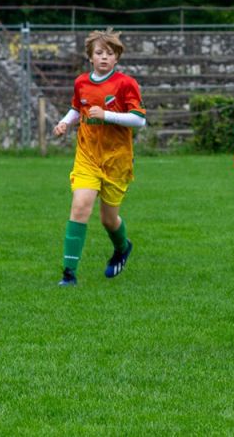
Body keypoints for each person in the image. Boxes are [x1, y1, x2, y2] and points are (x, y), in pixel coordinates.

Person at [53, 28, 146, 286]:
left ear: (117, 58)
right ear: (90, 57)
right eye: (99, 53)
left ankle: (122, 248)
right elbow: (76, 109)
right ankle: (69, 274)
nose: (104, 57)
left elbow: (139, 120)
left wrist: (107, 115)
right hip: (87, 156)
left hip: (117, 160)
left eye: (109, 53)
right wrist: (64, 123)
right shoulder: (81, 82)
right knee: (80, 206)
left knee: (108, 219)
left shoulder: (126, 84)